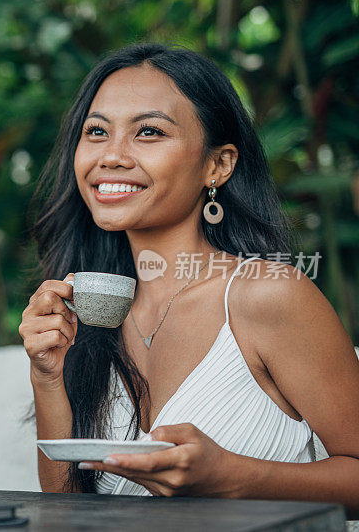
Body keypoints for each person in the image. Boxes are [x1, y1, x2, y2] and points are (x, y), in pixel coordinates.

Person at [18, 41, 359, 518]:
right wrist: (47, 377)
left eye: (150, 132)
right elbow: (66, 511)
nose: (111, 156)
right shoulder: (92, 311)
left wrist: (232, 477)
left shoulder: (268, 295)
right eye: (96, 131)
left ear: (217, 165)